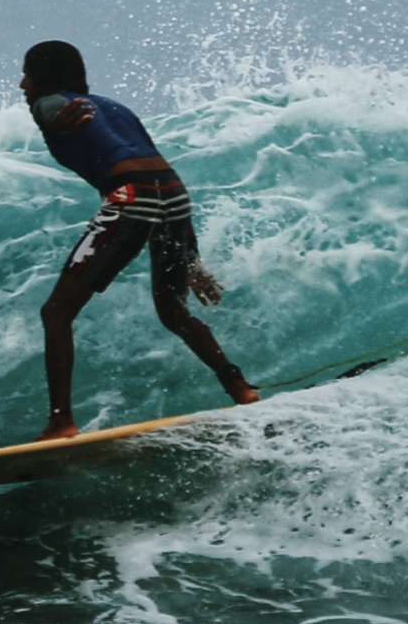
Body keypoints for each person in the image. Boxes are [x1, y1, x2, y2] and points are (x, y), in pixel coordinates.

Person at [20, 40, 259, 440]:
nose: (21, 83)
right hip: (173, 195)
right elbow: (153, 161)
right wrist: (190, 257)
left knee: (56, 313)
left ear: (44, 78)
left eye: (27, 73)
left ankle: (61, 421)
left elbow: (49, 110)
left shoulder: (51, 103)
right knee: (173, 311)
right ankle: (240, 388)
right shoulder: (115, 107)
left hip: (133, 195)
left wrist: (55, 120)